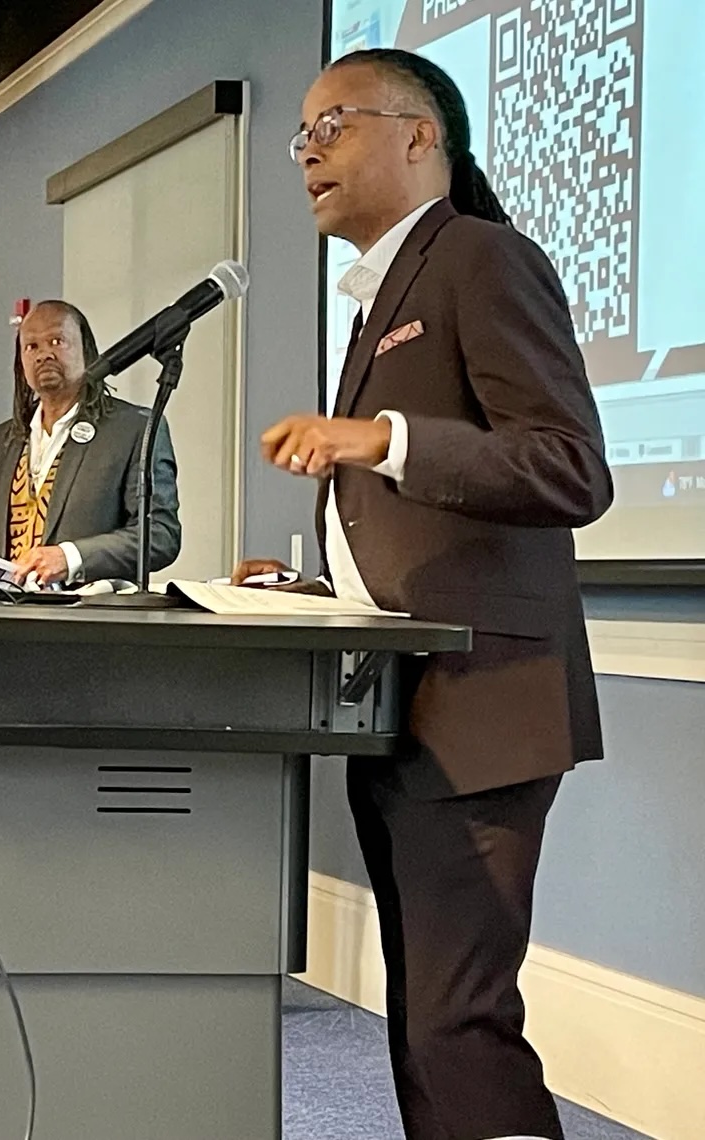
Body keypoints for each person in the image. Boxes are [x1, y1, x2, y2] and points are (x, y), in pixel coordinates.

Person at [234, 51, 612, 1140]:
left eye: (331, 124)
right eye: (300, 132)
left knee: (461, 1024)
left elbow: (569, 469)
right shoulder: (382, 294)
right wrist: (320, 584)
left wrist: (385, 438)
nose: (306, 149)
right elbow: (426, 530)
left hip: (485, 701)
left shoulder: (481, 260)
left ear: (417, 136)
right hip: (405, 702)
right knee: (425, 1023)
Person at [0, 300, 181, 584]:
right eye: (32, 347)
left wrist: (70, 557)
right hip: (3, 620)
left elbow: (161, 536)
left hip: (88, 620)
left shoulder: (135, 430)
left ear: (86, 351)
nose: (43, 355)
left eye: (56, 341)